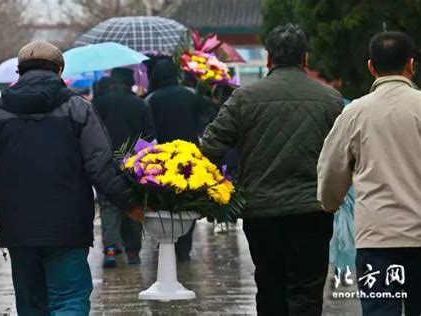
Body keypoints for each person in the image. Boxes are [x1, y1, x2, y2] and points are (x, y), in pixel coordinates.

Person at [0, 40, 133, 315]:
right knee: (70, 299)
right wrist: (131, 203)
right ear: (59, 69)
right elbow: (101, 166)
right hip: (68, 227)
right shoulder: (79, 110)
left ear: (19, 71)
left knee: (31, 305)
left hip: (18, 229)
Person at [201, 23, 343, 315]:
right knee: (307, 289)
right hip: (312, 211)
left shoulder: (243, 99)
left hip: (261, 212)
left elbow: (209, 149)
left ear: (268, 58)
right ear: (306, 58)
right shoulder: (330, 100)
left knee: (269, 285)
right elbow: (345, 155)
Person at [318, 31, 421, 316]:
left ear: (371, 67)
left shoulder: (354, 113)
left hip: (377, 239)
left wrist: (330, 202)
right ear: (411, 65)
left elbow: (331, 167)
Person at [93, 68, 155, 268]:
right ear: (131, 84)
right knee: (134, 204)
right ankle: (133, 252)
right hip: (134, 161)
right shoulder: (140, 104)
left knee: (109, 205)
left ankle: (110, 249)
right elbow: (149, 135)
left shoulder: (99, 103)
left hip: (106, 162)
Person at [146, 59, 203, 262]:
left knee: (165, 200)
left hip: (162, 157)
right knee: (188, 199)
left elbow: (148, 130)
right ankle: (184, 246)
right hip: (190, 155)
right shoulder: (192, 95)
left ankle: (167, 241)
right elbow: (201, 122)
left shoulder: (151, 99)